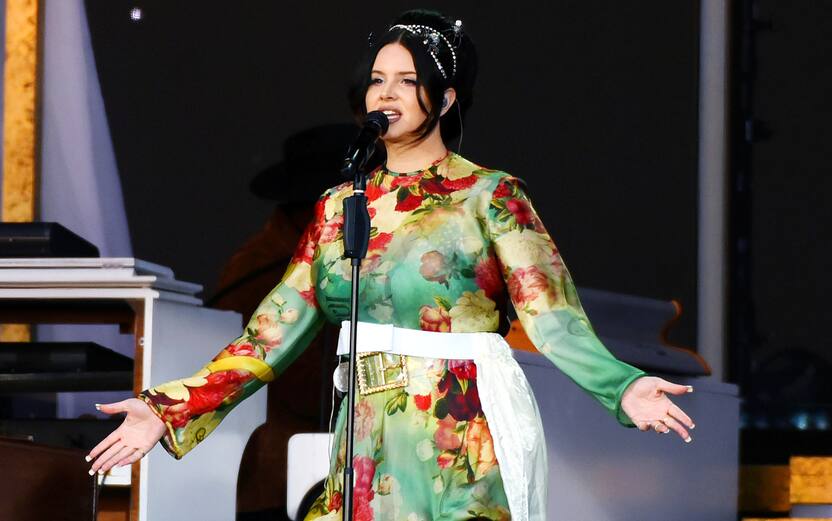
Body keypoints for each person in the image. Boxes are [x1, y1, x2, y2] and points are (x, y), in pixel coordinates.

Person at [87, 9, 695, 521]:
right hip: (368, 429)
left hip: (464, 424)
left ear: (447, 97)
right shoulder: (340, 204)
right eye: (378, 79)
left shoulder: (490, 195)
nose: (386, 93)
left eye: (407, 80)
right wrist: (170, 407)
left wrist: (624, 385)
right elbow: (273, 328)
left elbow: (551, 312)